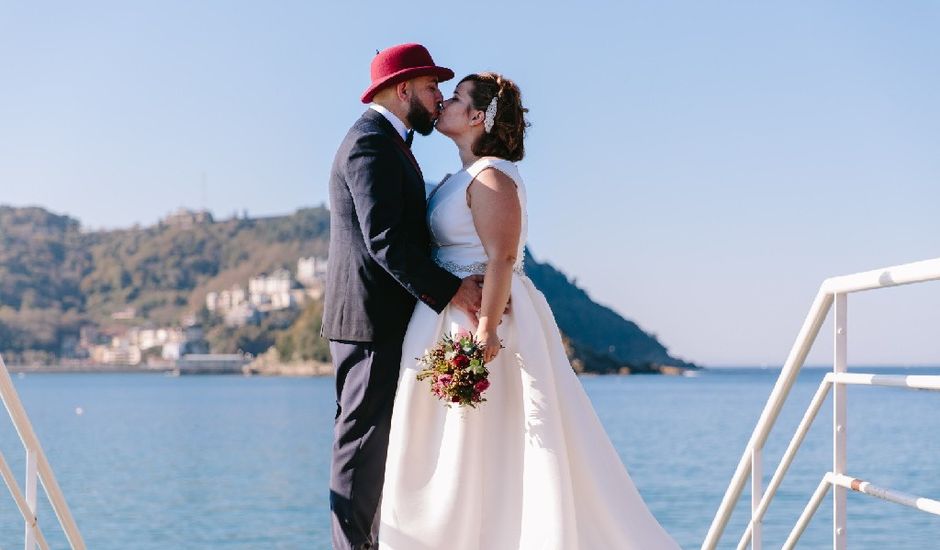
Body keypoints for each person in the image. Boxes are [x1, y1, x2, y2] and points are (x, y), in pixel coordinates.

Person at [378, 72, 681, 549]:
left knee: (490, 443)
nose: (445, 104)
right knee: (448, 445)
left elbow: (500, 258)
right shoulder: (460, 177)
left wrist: (485, 331)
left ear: (477, 116)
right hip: (444, 317)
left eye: (455, 98)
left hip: (482, 319)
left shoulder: (493, 175)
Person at [322, 43, 484, 550]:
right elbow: (386, 240)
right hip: (369, 324)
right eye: (433, 87)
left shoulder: (391, 142)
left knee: (376, 447)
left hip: (382, 321)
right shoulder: (370, 143)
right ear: (403, 89)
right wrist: (454, 290)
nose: (438, 99)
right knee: (361, 448)